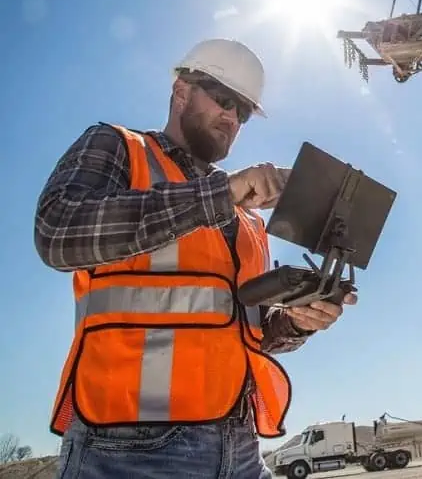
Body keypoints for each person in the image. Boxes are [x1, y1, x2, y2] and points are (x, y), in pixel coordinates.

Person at [33, 38, 357, 478]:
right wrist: (221, 193)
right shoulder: (119, 147)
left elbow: (246, 332)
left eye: (242, 112)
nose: (232, 117)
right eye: (224, 100)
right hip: (128, 448)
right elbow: (58, 231)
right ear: (181, 92)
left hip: (237, 443)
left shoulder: (244, 214)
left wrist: (297, 322)